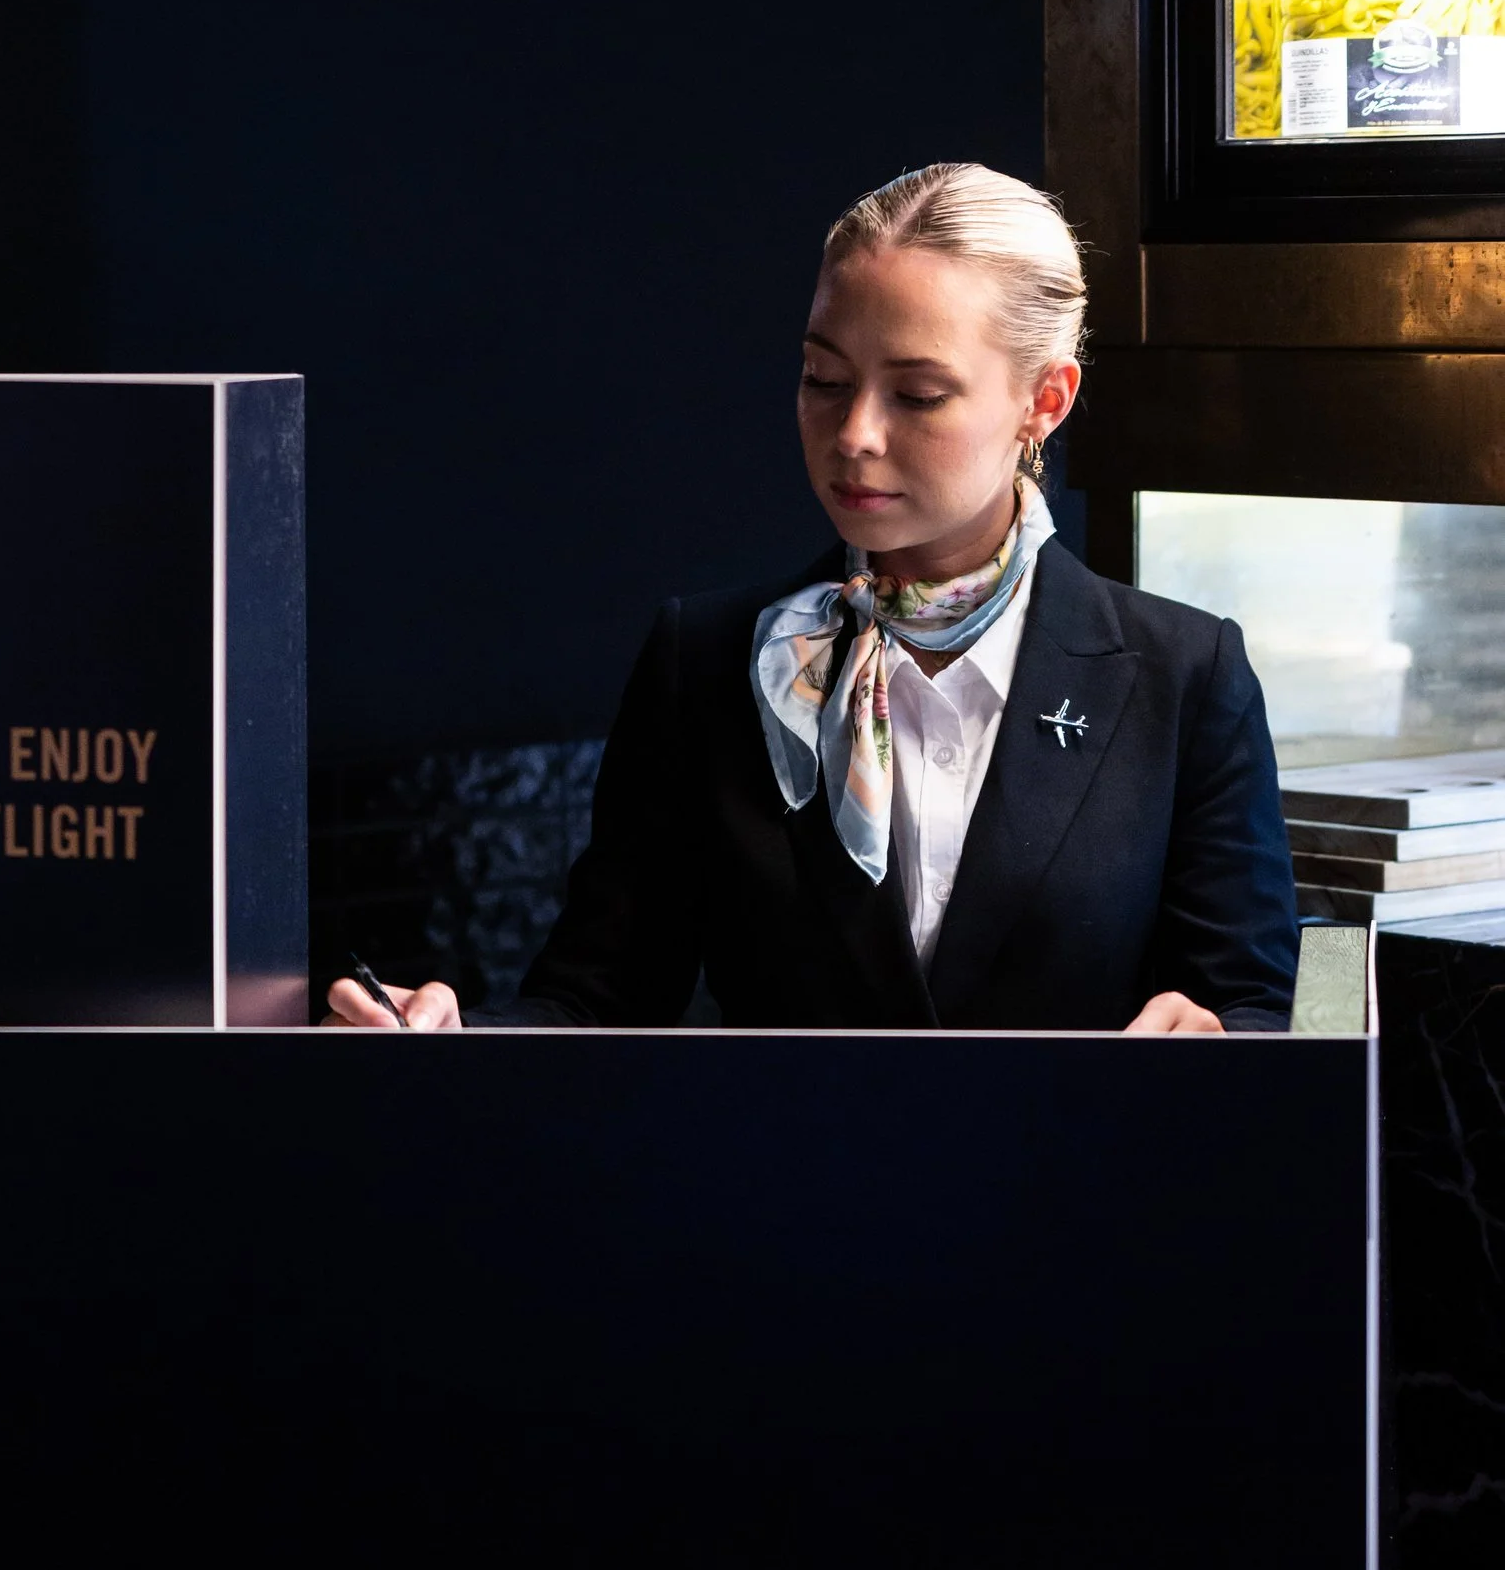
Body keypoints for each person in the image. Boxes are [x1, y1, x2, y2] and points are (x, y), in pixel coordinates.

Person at [325, 163, 1297, 1038]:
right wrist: (450, 1040)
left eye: (917, 395)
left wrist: (1221, 1046)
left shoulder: (1182, 677)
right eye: (824, 378)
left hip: (1075, 1177)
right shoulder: (706, 661)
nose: (854, 434)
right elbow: (595, 1000)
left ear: (1045, 400)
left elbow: (1261, 1006)